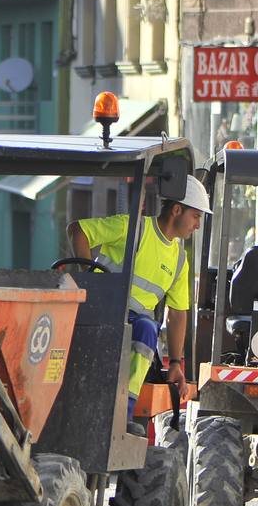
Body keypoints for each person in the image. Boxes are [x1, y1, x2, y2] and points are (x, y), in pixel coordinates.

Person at [65, 176, 212, 417]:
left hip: (136, 325)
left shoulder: (179, 260)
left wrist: (175, 363)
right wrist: (89, 276)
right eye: (196, 216)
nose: (197, 225)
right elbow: (78, 230)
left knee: (147, 329)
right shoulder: (133, 229)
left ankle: (123, 413)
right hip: (103, 308)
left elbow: (177, 314)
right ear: (177, 210)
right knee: (146, 329)